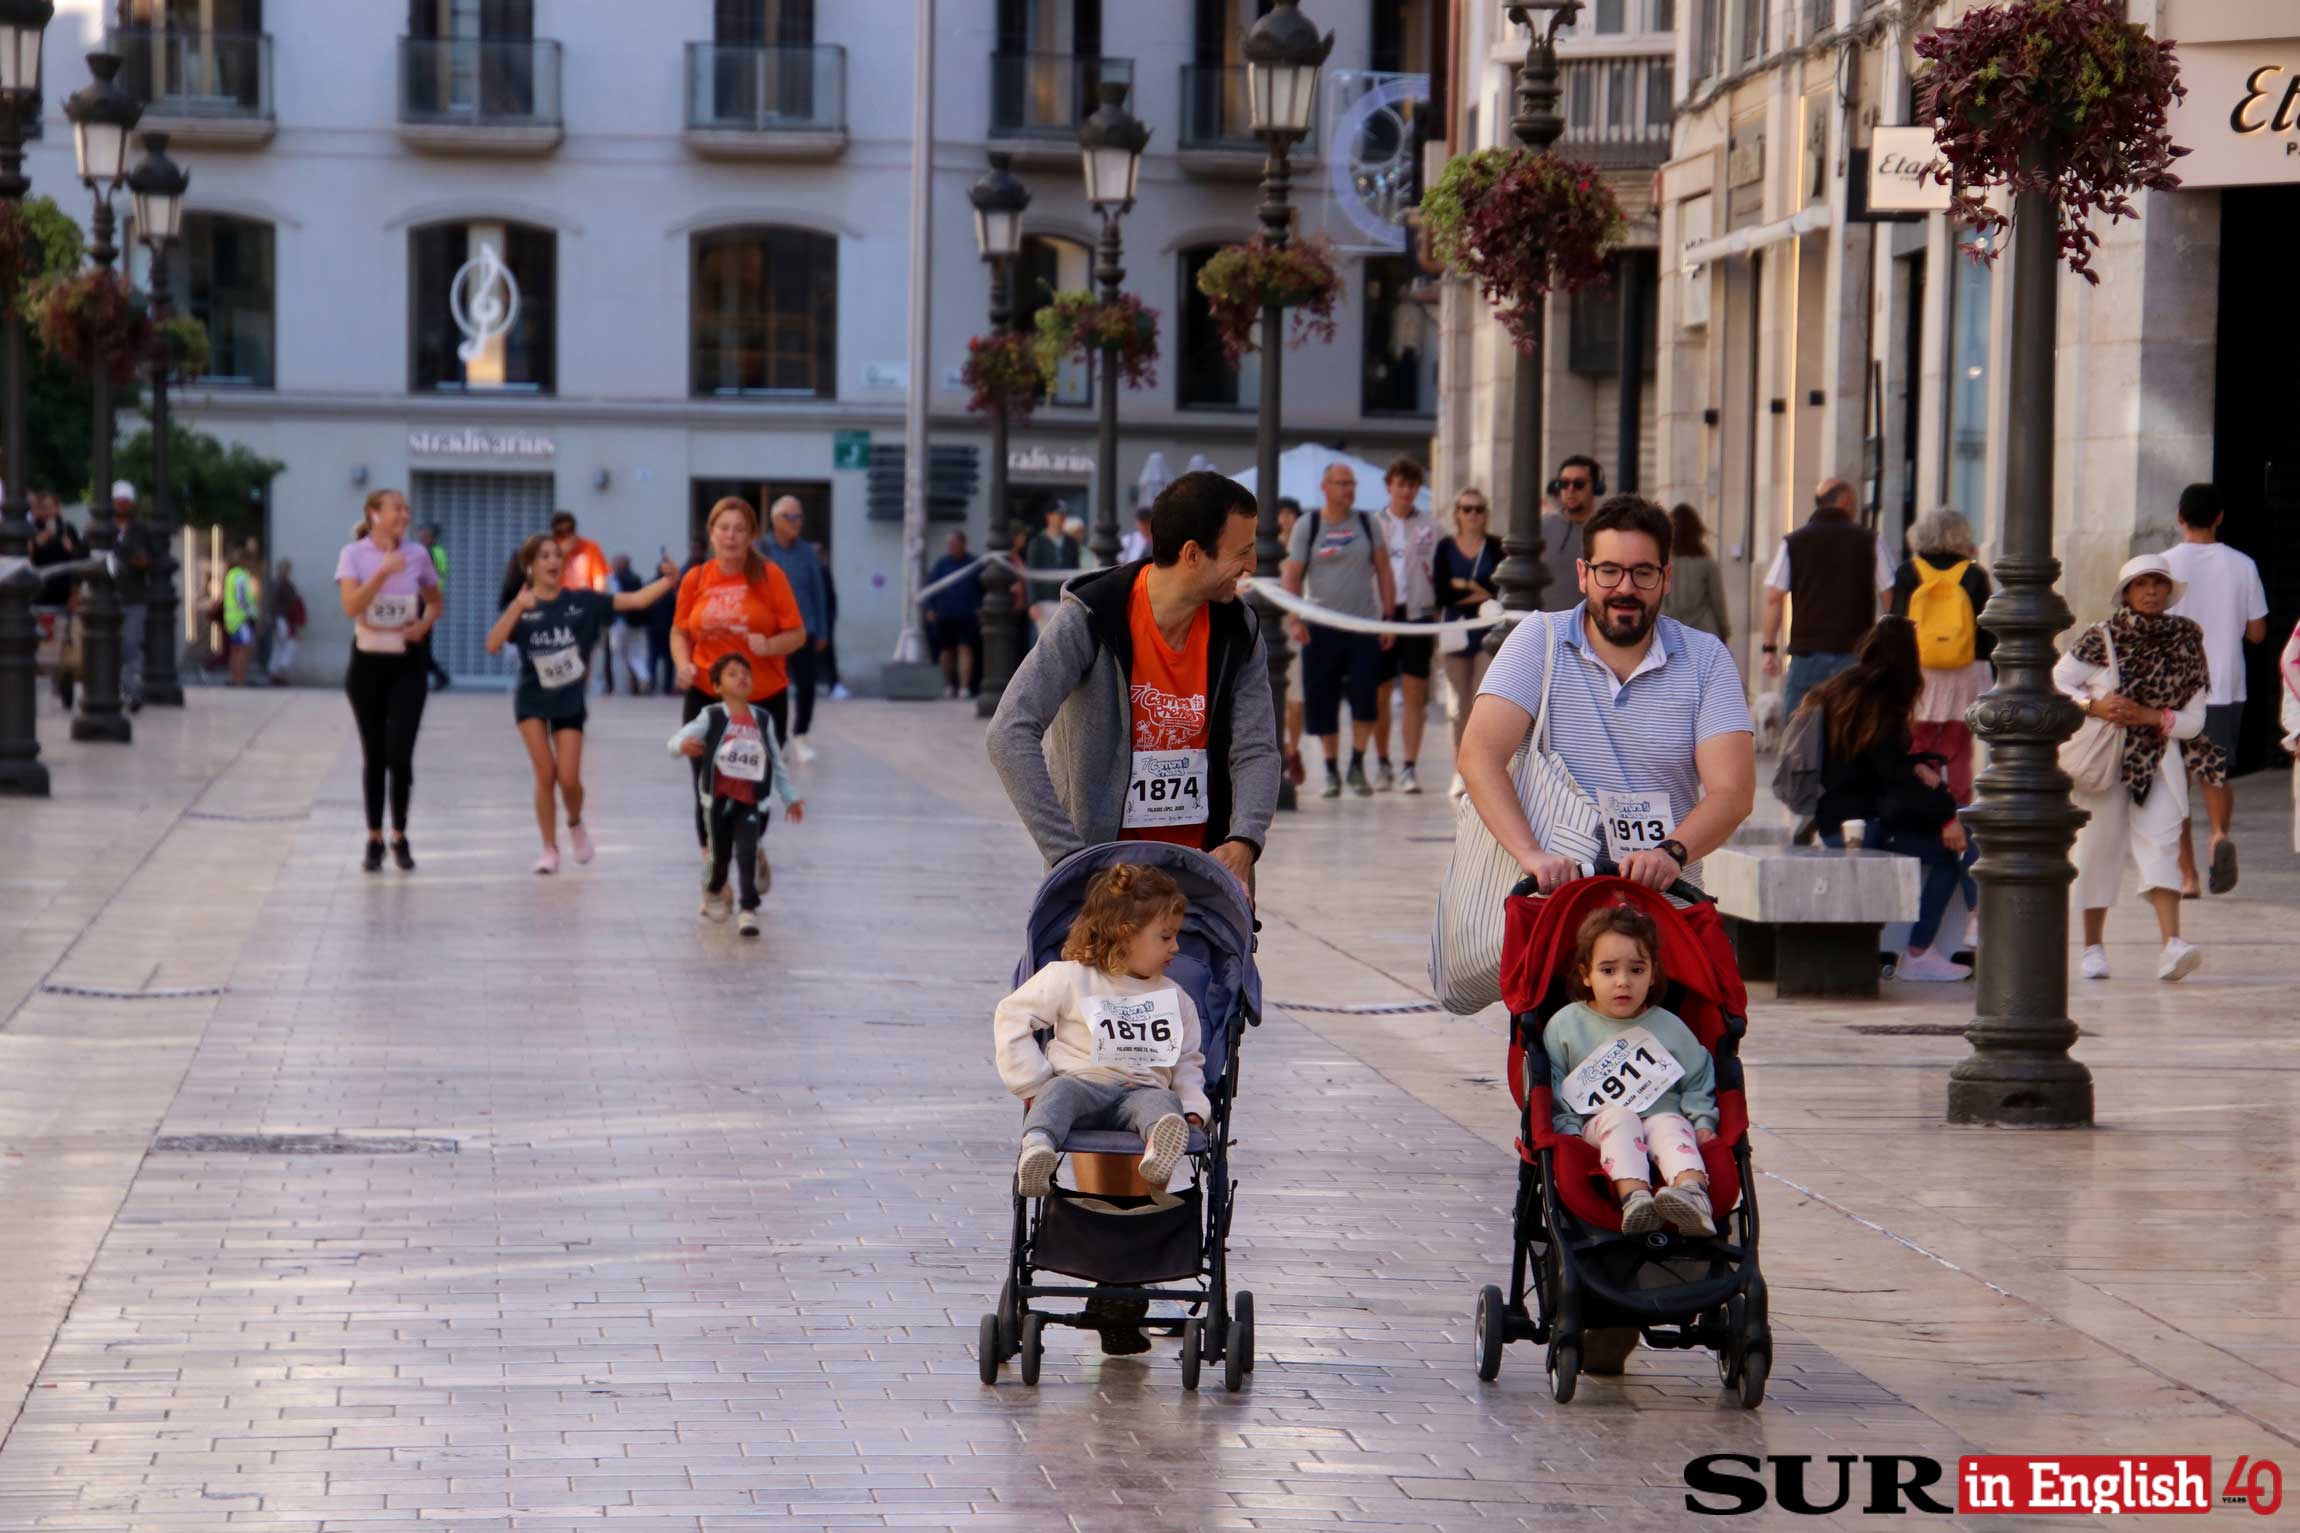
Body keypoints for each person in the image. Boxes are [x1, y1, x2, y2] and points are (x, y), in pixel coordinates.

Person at [989, 470, 1277, 893]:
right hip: (1104, 887)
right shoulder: (1092, 616)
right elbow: (1008, 732)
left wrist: (1244, 841)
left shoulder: (1239, 629)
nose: (1252, 565)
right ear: (1193, 554)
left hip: (1202, 883)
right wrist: (1068, 856)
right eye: (1243, 551)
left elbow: (1256, 749)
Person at [1461, 495, 1756, 896]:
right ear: (1583, 574)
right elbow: (1479, 757)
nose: (1625, 588)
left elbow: (1732, 792)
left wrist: (1670, 853)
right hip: (1552, 898)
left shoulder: (1707, 659)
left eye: (1643, 573)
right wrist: (1531, 855)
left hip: (1662, 902)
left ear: (1666, 578)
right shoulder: (1537, 640)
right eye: (1609, 571)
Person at [993, 861, 1210, 1356]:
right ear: (1124, 933)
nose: (1176, 948)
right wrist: (1031, 1081)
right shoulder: (1070, 978)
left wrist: (1195, 1108)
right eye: (1166, 937)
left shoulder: (1174, 997)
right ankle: (1038, 1148)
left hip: (1141, 1092)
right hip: (1082, 1085)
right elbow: (1012, 1015)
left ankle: (1160, 1147)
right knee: (1057, 1095)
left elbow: (1188, 1062)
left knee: (1163, 1103)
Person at [2058, 554, 2214, 983]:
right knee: (2096, 849)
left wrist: (2149, 716)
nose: (2151, 591)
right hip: (2104, 761)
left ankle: (2172, 945)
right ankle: (2092, 947)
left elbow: (2195, 720)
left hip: (2158, 761)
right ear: (2126, 592)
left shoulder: (2187, 640)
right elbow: (2057, 681)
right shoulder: (2101, 637)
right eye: (2142, 584)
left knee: (2162, 845)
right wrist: (2093, 705)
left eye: (2158, 583)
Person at [487, 535, 679, 874]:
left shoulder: (583, 602)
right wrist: (516, 607)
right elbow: (492, 644)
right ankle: (549, 848)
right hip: (532, 700)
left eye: (556, 555)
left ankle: (575, 822)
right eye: (544, 556)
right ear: (530, 566)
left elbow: (635, 600)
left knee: (569, 778)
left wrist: (668, 582)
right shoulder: (523, 607)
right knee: (545, 774)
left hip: (569, 700)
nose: (552, 561)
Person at [1800, 616, 1977, 982]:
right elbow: (1892, 780)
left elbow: (1870, 763)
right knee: (1949, 855)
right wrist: (1946, 815)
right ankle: (1921, 952)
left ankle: (1954, 932)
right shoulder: (1882, 703)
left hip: (1835, 821)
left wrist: (1914, 764)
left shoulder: (1842, 689)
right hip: (1865, 826)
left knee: (1948, 840)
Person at [1545, 903, 1718, 1236]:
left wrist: (1702, 1121)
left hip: (1661, 1115)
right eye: (1608, 971)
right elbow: (1554, 1087)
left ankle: (1693, 1194)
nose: (1623, 982)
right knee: (1620, 1118)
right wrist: (1568, 1130)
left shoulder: (1670, 1027)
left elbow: (1698, 1076)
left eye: (1636, 970)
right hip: (1599, 1124)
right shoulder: (1565, 1026)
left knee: (1670, 1124)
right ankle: (1635, 1198)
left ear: (1653, 974)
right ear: (1586, 974)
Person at [670, 497, 806, 873]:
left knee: (753, 784)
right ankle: (714, 867)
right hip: (706, 696)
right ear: (711, 533)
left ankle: (751, 846)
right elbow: (679, 631)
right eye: (724, 528)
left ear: (751, 536)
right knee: (706, 783)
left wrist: (770, 645)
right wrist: (682, 665)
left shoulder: (770, 577)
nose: (731, 536)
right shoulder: (696, 579)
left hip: (761, 699)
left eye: (739, 529)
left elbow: (797, 634)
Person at [2161, 482, 2268, 896]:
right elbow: (2257, 633)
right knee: (2215, 773)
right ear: (2220, 518)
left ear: (2179, 517)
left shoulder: (2163, 566)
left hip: (2172, 691)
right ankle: (2219, 835)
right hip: (2223, 685)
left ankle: (2187, 877)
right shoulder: (2243, 565)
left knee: (2175, 783)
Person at [335, 489, 442, 872]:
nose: (405, 515)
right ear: (374, 514)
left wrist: (423, 626)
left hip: (407, 665)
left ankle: (400, 835)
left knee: (400, 754)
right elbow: (351, 606)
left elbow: (435, 601)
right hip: (367, 666)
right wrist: (383, 571)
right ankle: (374, 838)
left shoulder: (419, 554)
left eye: (407, 508)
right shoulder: (353, 555)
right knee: (375, 755)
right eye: (397, 508)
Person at [669, 651, 805, 936]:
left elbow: (776, 761)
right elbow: (678, 737)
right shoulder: (712, 716)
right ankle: (713, 887)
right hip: (718, 802)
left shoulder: (763, 720)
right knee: (720, 857)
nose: (741, 677)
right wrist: (682, 746)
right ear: (717, 686)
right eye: (732, 674)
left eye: (745, 673)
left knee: (746, 851)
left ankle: (747, 909)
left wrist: (790, 797)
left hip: (751, 802)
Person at [1282, 461, 1395, 798]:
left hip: (1363, 625)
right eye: (1342, 483)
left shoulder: (1368, 523)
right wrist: (1295, 618)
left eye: (1352, 483)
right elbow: (1292, 575)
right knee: (1321, 699)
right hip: (1320, 626)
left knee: (1366, 697)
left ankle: (1357, 763)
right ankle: (1330, 769)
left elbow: (1384, 570)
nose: (1348, 489)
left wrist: (1388, 618)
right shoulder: (1309, 525)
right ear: (1325, 487)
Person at [1761, 477, 1894, 719]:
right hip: (1855, 653)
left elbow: (1774, 597)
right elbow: (1889, 593)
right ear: (1845, 501)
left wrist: (1769, 648)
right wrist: (1889, 643)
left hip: (1807, 654)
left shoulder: (1794, 543)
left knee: (1800, 729)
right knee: (1853, 726)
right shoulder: (1870, 541)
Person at [1889, 508, 1995, 806]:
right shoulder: (1974, 574)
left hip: (1919, 670)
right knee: (1958, 746)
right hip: (1965, 670)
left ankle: (1920, 805)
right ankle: (1957, 809)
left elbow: (1897, 624)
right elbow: (1987, 630)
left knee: (1917, 742)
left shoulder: (1908, 572)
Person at [1371, 456, 1440, 795]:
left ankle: (1409, 766)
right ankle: (1383, 761)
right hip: (1379, 615)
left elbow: (1441, 570)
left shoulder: (1432, 526)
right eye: (1401, 484)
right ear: (1389, 486)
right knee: (1380, 693)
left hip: (1418, 614)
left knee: (1415, 692)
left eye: (1412, 485)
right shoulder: (1373, 524)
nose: (1406, 491)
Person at [1434, 486, 1501, 778]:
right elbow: (1442, 594)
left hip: (1489, 634)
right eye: (1467, 509)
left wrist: (1464, 585)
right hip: (1456, 631)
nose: (1473, 514)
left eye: (1478, 509)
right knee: (1459, 705)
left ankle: (1480, 768)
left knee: (1481, 700)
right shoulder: (1445, 547)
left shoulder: (1496, 546)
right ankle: (1460, 770)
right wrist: (1479, 592)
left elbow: (1498, 589)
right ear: (1457, 514)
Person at [760, 498, 830, 760]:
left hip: (803, 630)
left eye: (800, 517)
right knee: (773, 688)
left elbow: (818, 592)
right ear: (776, 519)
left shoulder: (807, 552)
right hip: (772, 633)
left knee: (807, 684)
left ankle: (801, 735)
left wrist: (822, 630)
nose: (797, 522)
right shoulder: (761, 549)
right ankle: (775, 740)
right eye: (791, 517)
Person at [106, 481, 152, 710]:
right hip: (108, 596)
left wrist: (142, 561)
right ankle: (120, 688)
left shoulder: (140, 529)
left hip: (134, 596)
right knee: (110, 646)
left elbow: (149, 558)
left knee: (130, 645)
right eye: (119, 501)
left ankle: (132, 691)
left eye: (126, 501)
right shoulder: (103, 527)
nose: (122, 505)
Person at [1538, 456, 1602, 613]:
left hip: (1587, 623)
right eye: (1564, 484)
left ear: (1595, 487)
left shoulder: (1605, 531)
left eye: (1579, 484)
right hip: (1544, 622)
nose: (1570, 489)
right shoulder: (1540, 527)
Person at [1658, 503, 1729, 641]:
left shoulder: (1662, 563)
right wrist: (1724, 632)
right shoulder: (1707, 564)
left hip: (1671, 634)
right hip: (1704, 633)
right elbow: (1718, 603)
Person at [926, 529, 983, 699]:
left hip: (967, 615)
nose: (950, 547)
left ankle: (964, 687)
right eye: (949, 544)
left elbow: (983, 587)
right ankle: (948, 685)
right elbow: (931, 587)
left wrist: (979, 608)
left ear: (962, 544)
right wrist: (930, 608)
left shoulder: (974, 564)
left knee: (965, 649)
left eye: (954, 543)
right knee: (946, 652)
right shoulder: (941, 564)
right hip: (945, 615)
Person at [1275, 497, 1306, 786]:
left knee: (1296, 700)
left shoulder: (1304, 548)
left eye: (1291, 514)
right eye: (1281, 514)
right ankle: (1282, 749)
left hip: (1298, 631)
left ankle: (1293, 749)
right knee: (1274, 696)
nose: (1286, 519)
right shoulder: (1263, 550)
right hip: (1272, 629)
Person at [1024, 503, 1082, 631]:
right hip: (1045, 601)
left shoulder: (1071, 543)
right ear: (1049, 516)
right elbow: (1031, 574)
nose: (1062, 518)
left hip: (1065, 600)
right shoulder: (1037, 543)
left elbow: (1075, 571)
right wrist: (1033, 602)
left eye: (1063, 515)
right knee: (1047, 638)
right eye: (1058, 514)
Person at [415, 523, 451, 690]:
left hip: (426, 601)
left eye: (424, 533)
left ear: (431, 536)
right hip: (429, 600)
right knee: (421, 644)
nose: (421, 536)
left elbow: (427, 577)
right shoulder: (436, 552)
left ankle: (439, 677)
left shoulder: (430, 553)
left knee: (422, 644)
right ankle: (436, 676)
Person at [604, 553, 647, 694]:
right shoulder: (637, 579)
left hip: (619, 623)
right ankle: (643, 676)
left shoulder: (614, 579)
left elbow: (611, 600)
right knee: (635, 654)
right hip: (636, 623)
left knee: (617, 656)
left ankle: (620, 688)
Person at [222, 541, 261, 688]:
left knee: (235, 649)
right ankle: (241, 680)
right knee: (243, 650)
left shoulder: (230, 575)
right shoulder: (240, 576)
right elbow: (241, 598)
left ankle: (235, 678)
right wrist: (251, 612)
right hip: (242, 619)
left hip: (232, 619)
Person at [814, 539, 847, 697]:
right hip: (806, 621)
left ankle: (834, 684)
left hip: (825, 620)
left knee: (829, 653)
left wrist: (830, 618)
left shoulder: (824, 572)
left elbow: (831, 598)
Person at [265, 559, 304, 685]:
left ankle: (276, 673)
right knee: (289, 644)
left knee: (280, 646)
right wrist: (274, 622)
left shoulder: (287, 584)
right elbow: (272, 604)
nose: (287, 571)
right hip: (281, 619)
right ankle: (279, 671)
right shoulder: (278, 584)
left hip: (286, 619)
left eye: (288, 568)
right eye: (284, 568)